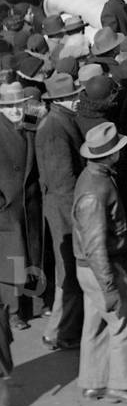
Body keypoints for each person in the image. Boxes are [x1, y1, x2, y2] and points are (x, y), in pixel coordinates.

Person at [73, 122, 127, 404]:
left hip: (88, 267)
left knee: (95, 324)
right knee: (125, 322)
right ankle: (122, 385)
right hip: (101, 267)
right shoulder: (96, 190)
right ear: (109, 155)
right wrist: (108, 285)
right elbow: (95, 244)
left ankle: (93, 382)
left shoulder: (93, 177)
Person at [36, 73, 85, 351]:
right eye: (72, 97)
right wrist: (77, 214)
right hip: (64, 208)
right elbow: (62, 180)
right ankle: (65, 332)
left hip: (61, 206)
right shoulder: (55, 128)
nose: (78, 100)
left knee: (67, 271)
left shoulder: (57, 120)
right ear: (60, 100)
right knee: (69, 271)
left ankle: (56, 329)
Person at [0, 83, 42, 331]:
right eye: (8, 106)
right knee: (11, 259)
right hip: (8, 206)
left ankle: (30, 304)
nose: (14, 109)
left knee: (30, 254)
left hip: (29, 201)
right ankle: (13, 311)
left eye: (18, 104)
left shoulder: (30, 120)